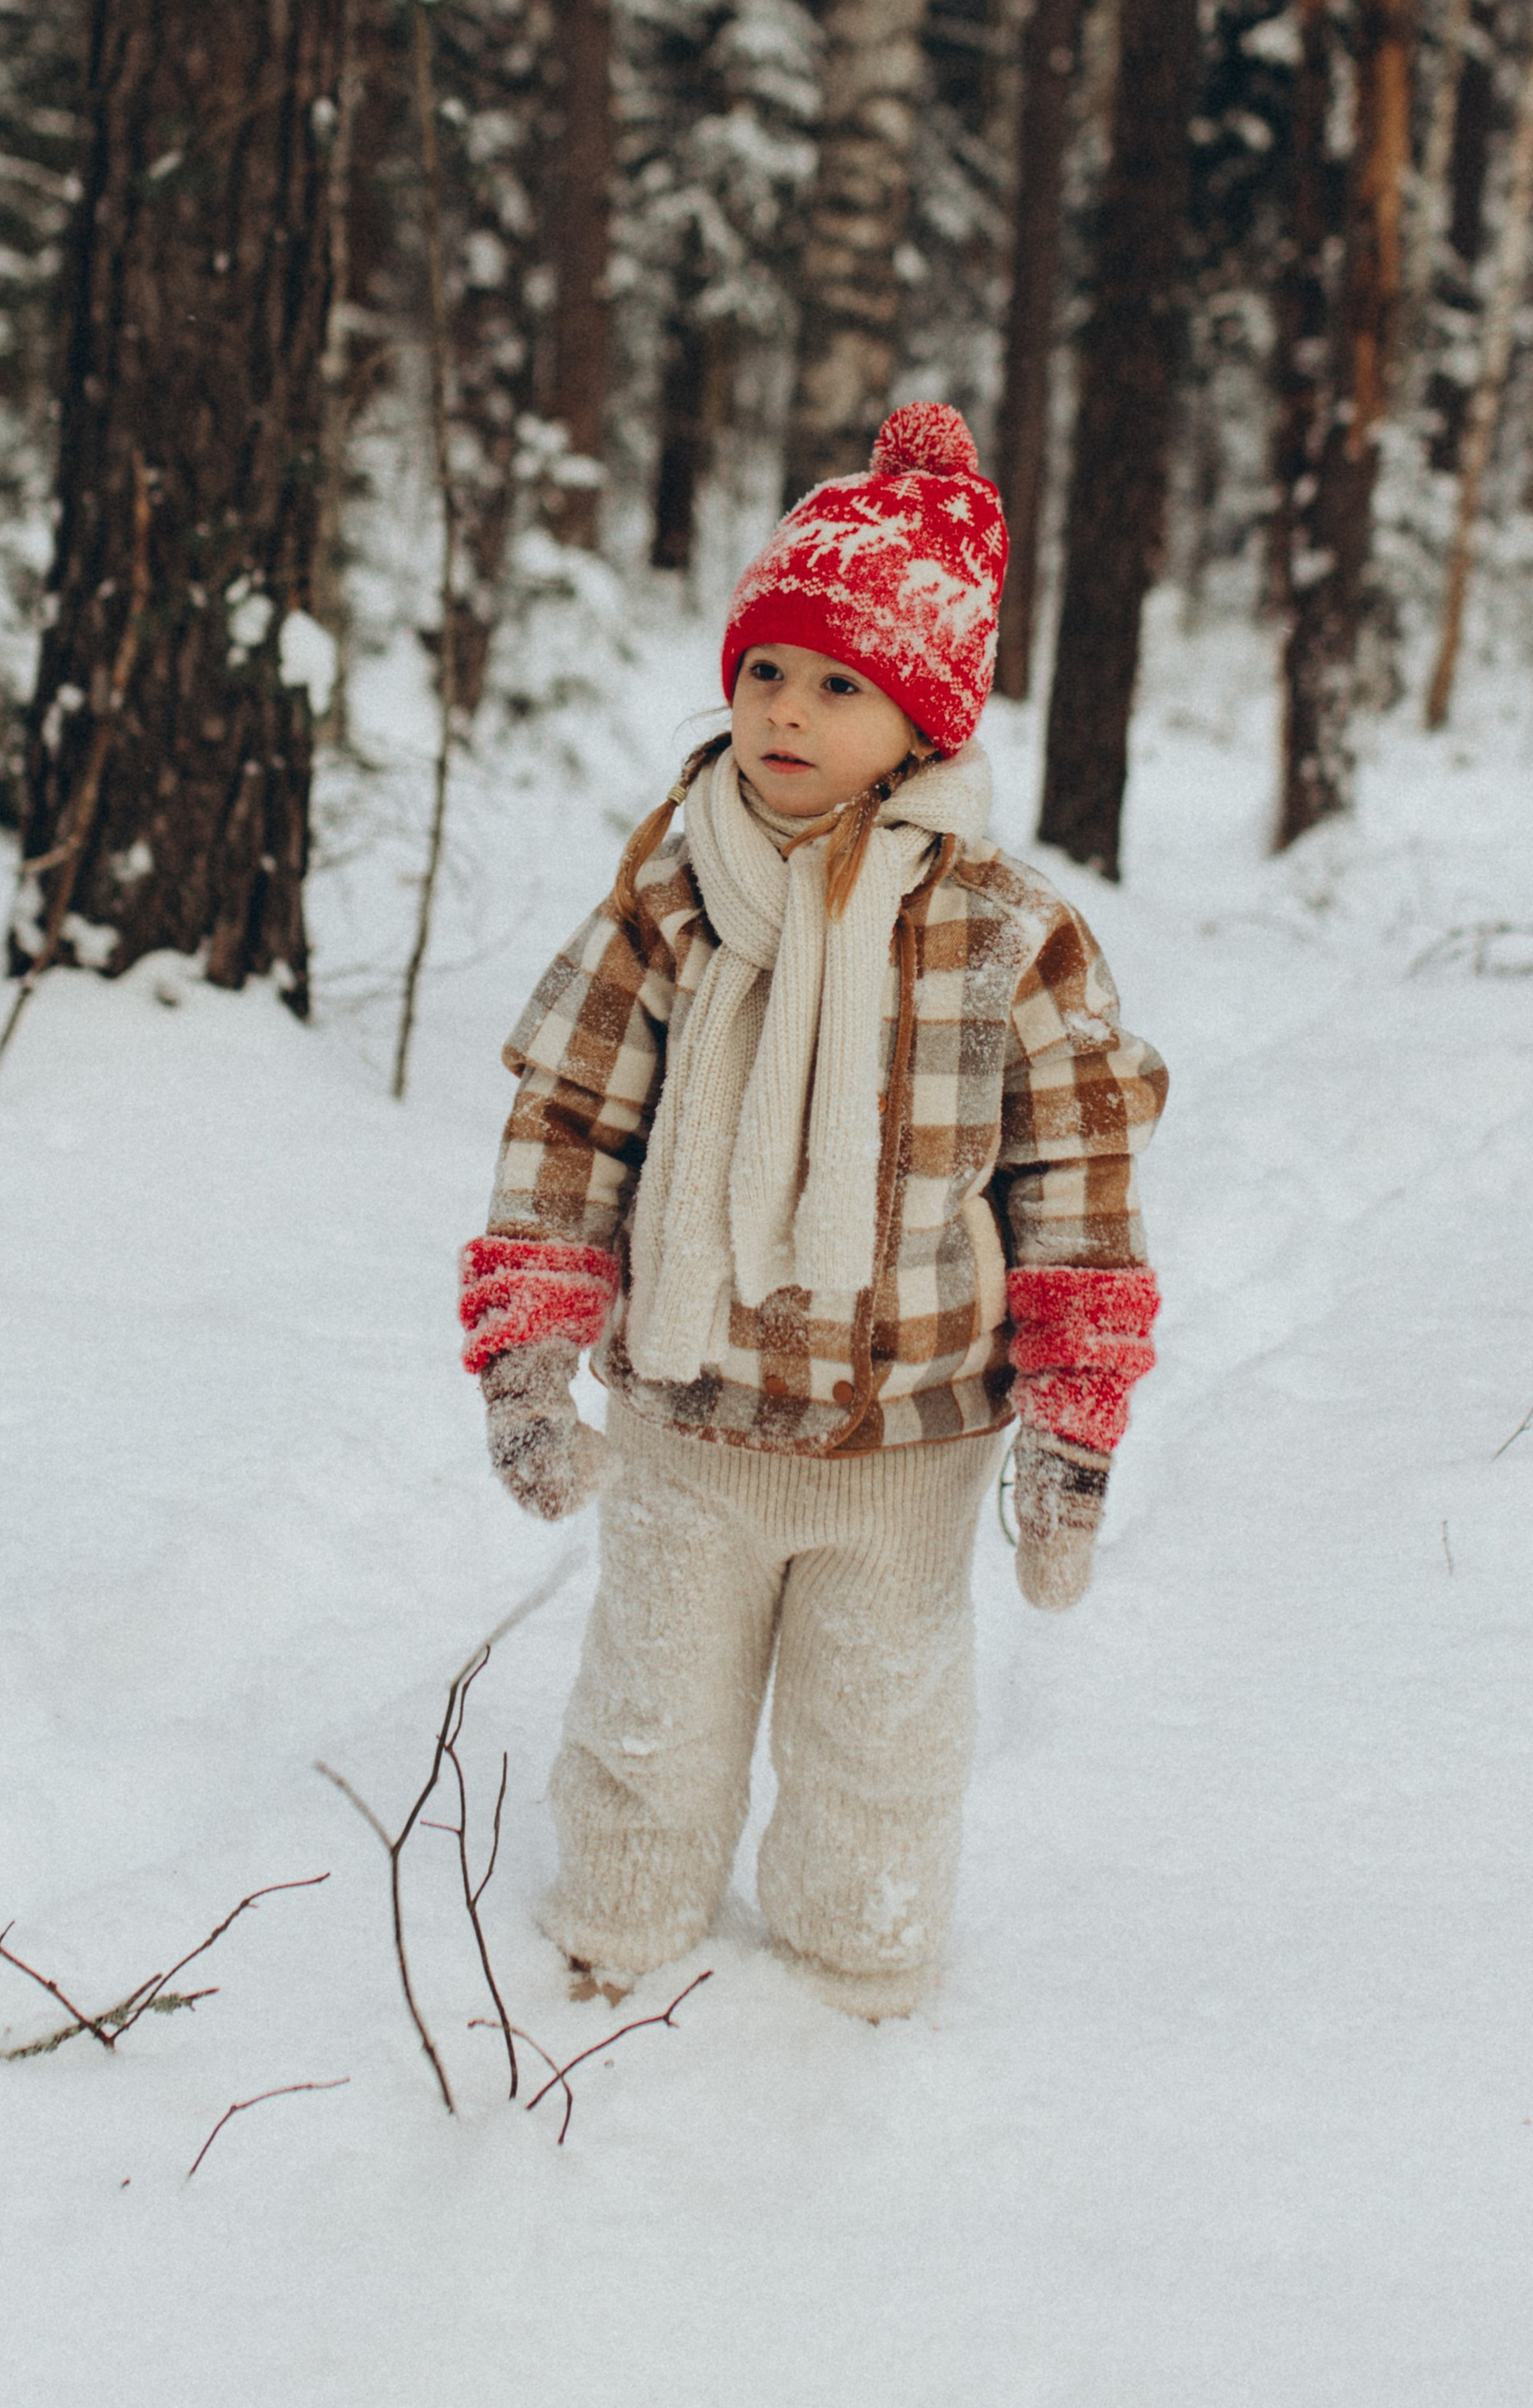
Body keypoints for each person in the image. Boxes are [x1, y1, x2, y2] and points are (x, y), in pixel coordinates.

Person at [455, 403, 1167, 2021]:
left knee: (882, 1723)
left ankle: (854, 1981)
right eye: (769, 667)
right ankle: (617, 1940)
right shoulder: (670, 891)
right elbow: (569, 1121)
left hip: (908, 1429)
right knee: (652, 1699)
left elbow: (1078, 1180)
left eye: (841, 684)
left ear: (920, 724)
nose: (788, 709)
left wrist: (1074, 1419)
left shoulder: (1008, 936)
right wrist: (528, 1352)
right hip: (689, 1417)